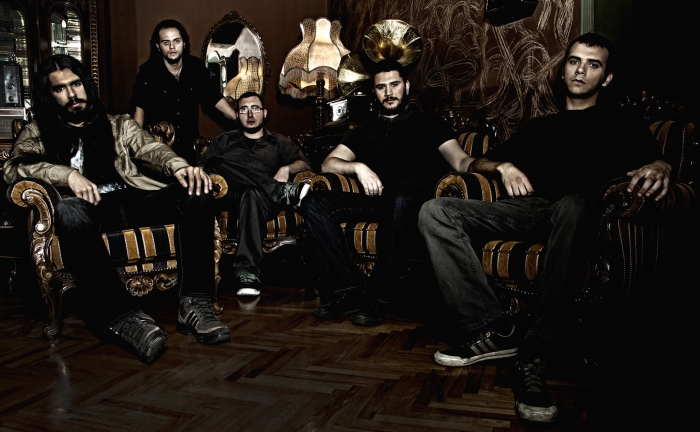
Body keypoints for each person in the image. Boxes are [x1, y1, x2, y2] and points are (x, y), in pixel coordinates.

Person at [418, 33, 670, 423]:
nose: (581, 70)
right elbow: (475, 163)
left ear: (606, 78)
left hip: (583, 212)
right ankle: (494, 328)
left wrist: (660, 166)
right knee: (435, 211)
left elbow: (657, 162)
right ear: (563, 69)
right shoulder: (541, 127)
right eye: (574, 61)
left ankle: (536, 350)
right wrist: (504, 167)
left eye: (593, 64)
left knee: (572, 204)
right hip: (532, 208)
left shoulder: (621, 120)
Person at [4, 54, 230, 364]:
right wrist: (66, 175)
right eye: (60, 89)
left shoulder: (118, 123)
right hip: (89, 211)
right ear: (49, 94)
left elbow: (151, 149)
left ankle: (194, 303)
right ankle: (123, 317)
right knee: (69, 211)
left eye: (76, 84)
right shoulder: (37, 131)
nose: (72, 94)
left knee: (197, 187)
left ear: (86, 85)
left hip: (133, 201)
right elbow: (13, 168)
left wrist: (179, 166)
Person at [300, 59, 474, 326]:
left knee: (400, 197)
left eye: (395, 85)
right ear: (374, 91)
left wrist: (494, 167)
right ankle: (347, 291)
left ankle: (381, 298)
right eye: (381, 87)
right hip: (380, 199)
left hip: (417, 202)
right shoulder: (365, 129)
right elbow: (328, 164)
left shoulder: (429, 122)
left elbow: (460, 161)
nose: (389, 92)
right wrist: (358, 167)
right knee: (314, 202)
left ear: (407, 86)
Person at [197, 91, 311, 296]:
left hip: (264, 201)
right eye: (243, 110)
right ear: (237, 115)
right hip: (229, 197)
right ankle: (281, 191)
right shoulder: (224, 141)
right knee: (215, 162)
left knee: (251, 193)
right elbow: (201, 167)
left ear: (264, 113)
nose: (250, 114)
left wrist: (286, 168)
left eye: (255, 108)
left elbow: (304, 164)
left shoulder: (278, 142)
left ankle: (247, 273)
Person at [131, 19, 239, 164]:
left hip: (189, 147)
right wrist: (136, 149)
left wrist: (239, 119)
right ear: (158, 46)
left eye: (176, 41)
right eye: (166, 42)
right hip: (159, 150)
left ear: (184, 43)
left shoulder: (196, 68)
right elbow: (139, 111)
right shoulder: (148, 72)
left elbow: (213, 97)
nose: (172, 47)